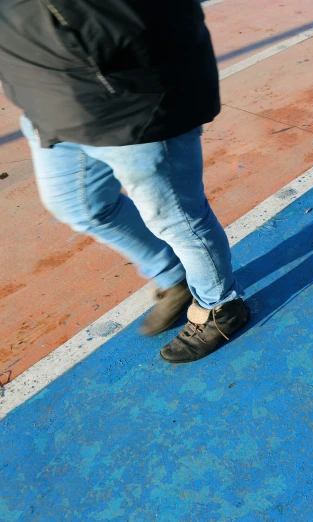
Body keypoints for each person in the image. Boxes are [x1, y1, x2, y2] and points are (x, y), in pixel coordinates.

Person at [0, 0, 249, 363]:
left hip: (130, 103)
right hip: (53, 101)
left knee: (177, 218)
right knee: (79, 204)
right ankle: (174, 276)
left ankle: (220, 306)